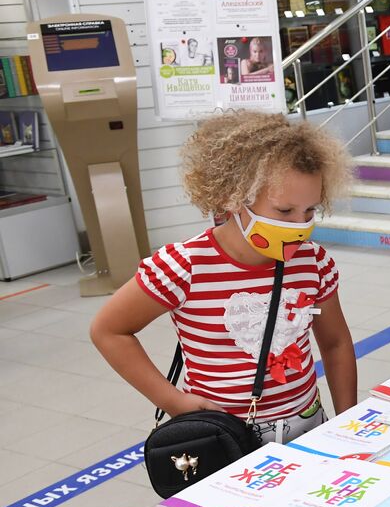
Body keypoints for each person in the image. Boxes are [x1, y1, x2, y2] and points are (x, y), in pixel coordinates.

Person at [89, 112, 357, 444]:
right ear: (234, 197)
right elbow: (109, 330)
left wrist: (348, 422)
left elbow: (335, 343)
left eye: (310, 211)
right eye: (285, 211)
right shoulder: (183, 266)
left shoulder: (313, 262)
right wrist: (172, 400)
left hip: (307, 424)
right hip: (223, 439)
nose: (299, 227)